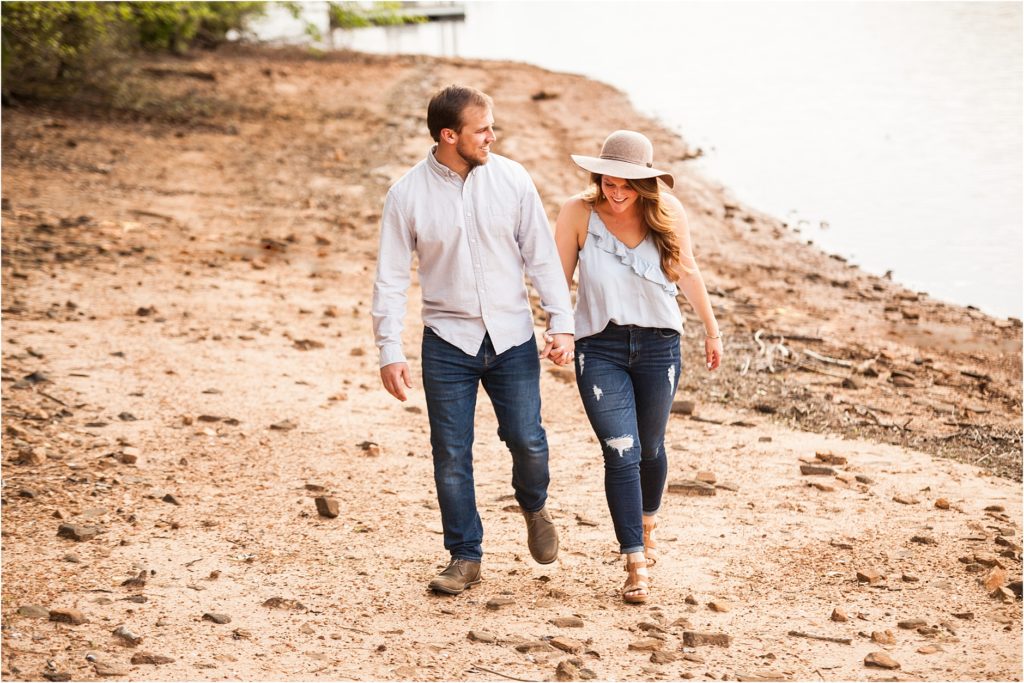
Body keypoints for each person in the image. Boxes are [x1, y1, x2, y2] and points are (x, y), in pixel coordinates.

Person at [372, 84, 575, 595]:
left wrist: (561, 322)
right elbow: (391, 277)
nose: (492, 136)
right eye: (481, 130)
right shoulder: (406, 196)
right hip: (446, 341)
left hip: (512, 337)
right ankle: (465, 556)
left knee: (527, 440)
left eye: (491, 127)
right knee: (450, 453)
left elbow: (542, 259)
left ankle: (533, 505)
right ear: (448, 135)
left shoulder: (512, 179)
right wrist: (389, 349)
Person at [553, 130, 723, 604]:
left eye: (629, 183)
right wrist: (559, 329)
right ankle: (634, 562)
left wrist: (711, 330)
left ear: (646, 182)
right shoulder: (578, 213)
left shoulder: (667, 212)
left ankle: (648, 522)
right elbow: (557, 279)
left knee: (650, 447)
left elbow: (687, 269)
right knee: (620, 450)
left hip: (658, 346)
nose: (618, 191)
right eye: (610, 181)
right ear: (599, 174)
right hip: (599, 348)